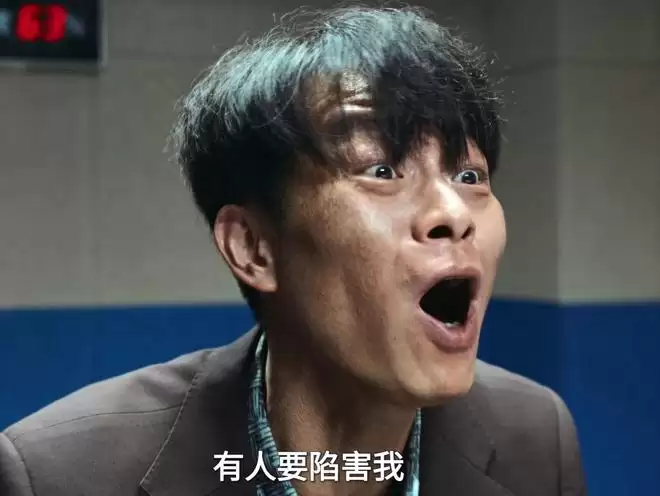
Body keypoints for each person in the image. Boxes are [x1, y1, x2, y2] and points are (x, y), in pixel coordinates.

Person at [0, 5, 586, 496]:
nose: (454, 214)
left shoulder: (534, 438)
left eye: (469, 176)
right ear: (253, 247)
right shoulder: (60, 474)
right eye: (382, 170)